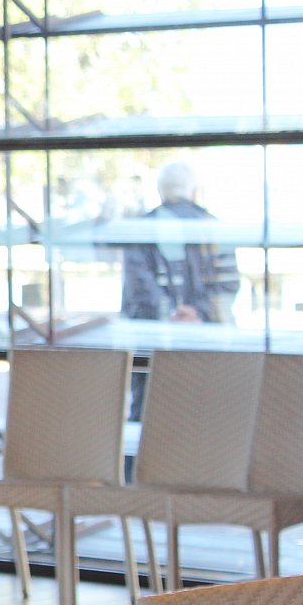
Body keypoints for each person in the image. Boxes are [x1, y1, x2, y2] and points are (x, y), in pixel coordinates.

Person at [120, 160, 241, 418]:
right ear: (193, 189)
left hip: (153, 344)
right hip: (207, 341)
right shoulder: (214, 227)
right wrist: (198, 313)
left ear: (160, 190)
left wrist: (171, 314)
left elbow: (138, 288)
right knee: (204, 414)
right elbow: (228, 284)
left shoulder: (140, 229)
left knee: (148, 414)